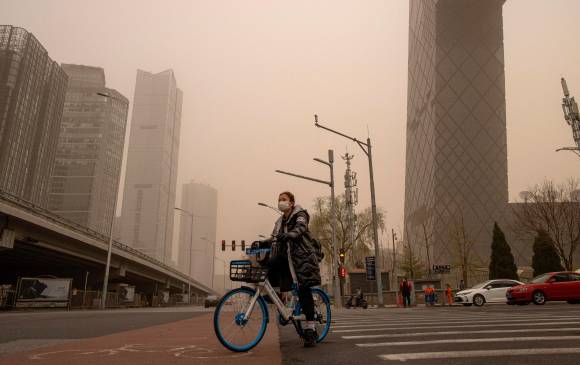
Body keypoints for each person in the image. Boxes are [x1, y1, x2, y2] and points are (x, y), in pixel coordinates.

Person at [258, 191, 321, 348]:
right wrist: (263, 243)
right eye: (279, 200)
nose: (281, 202)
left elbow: (300, 228)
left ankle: (311, 330)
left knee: (303, 289)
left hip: (302, 258)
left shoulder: (300, 214)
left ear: (291, 203)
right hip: (287, 258)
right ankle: (275, 294)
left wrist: (291, 235)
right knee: (269, 265)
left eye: (284, 199)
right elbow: (274, 237)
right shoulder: (279, 222)